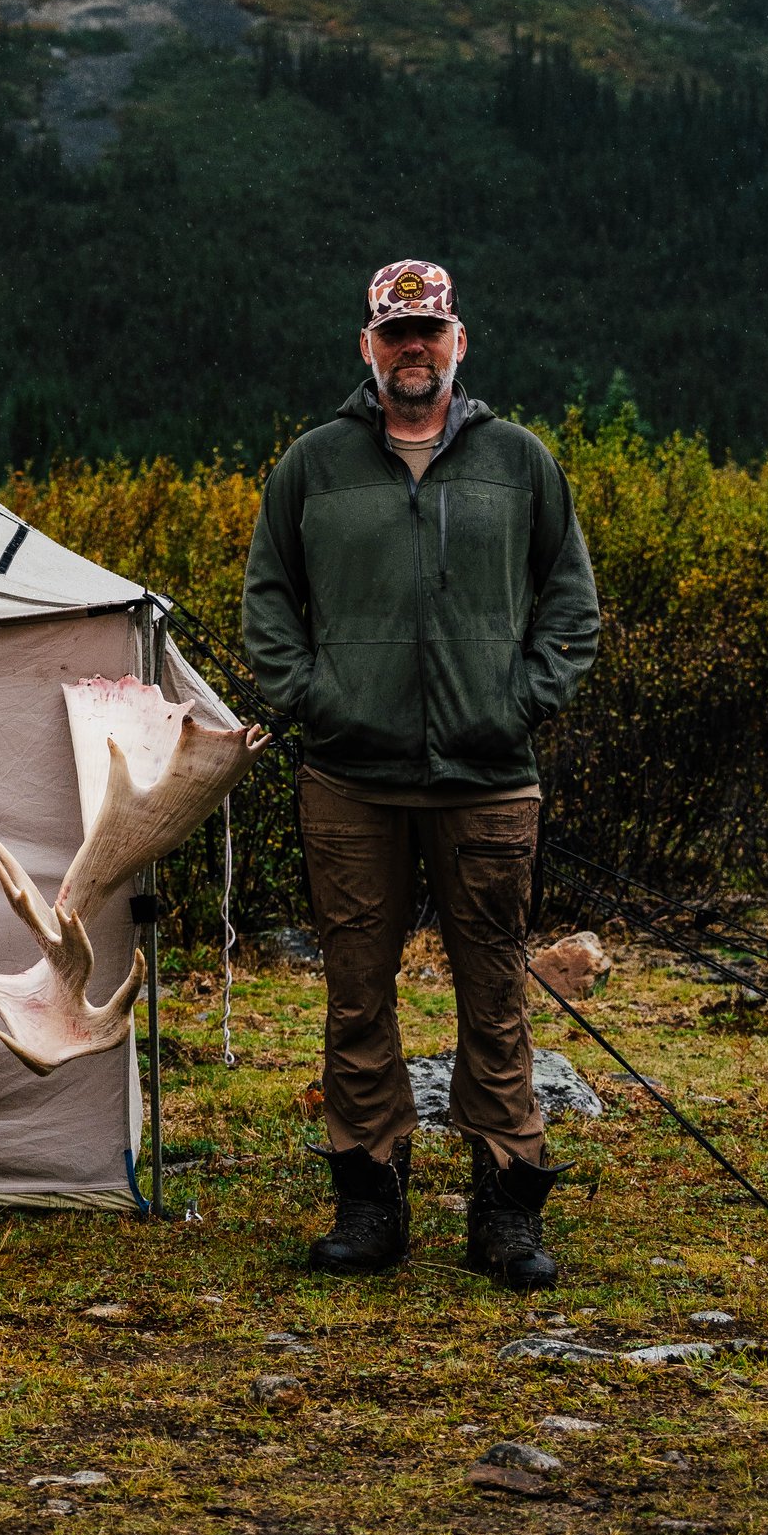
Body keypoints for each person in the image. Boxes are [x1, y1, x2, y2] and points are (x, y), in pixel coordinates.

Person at [240, 258, 600, 1290]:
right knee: (357, 996)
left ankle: (506, 1213)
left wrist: (516, 703)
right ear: (368, 346)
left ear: (457, 343)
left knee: (496, 996)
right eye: (394, 333)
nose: (412, 349)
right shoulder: (313, 465)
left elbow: (570, 604)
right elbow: (269, 599)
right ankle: (370, 1204)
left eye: (428, 332)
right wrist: (317, 699)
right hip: (349, 779)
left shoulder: (519, 461)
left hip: (488, 780)